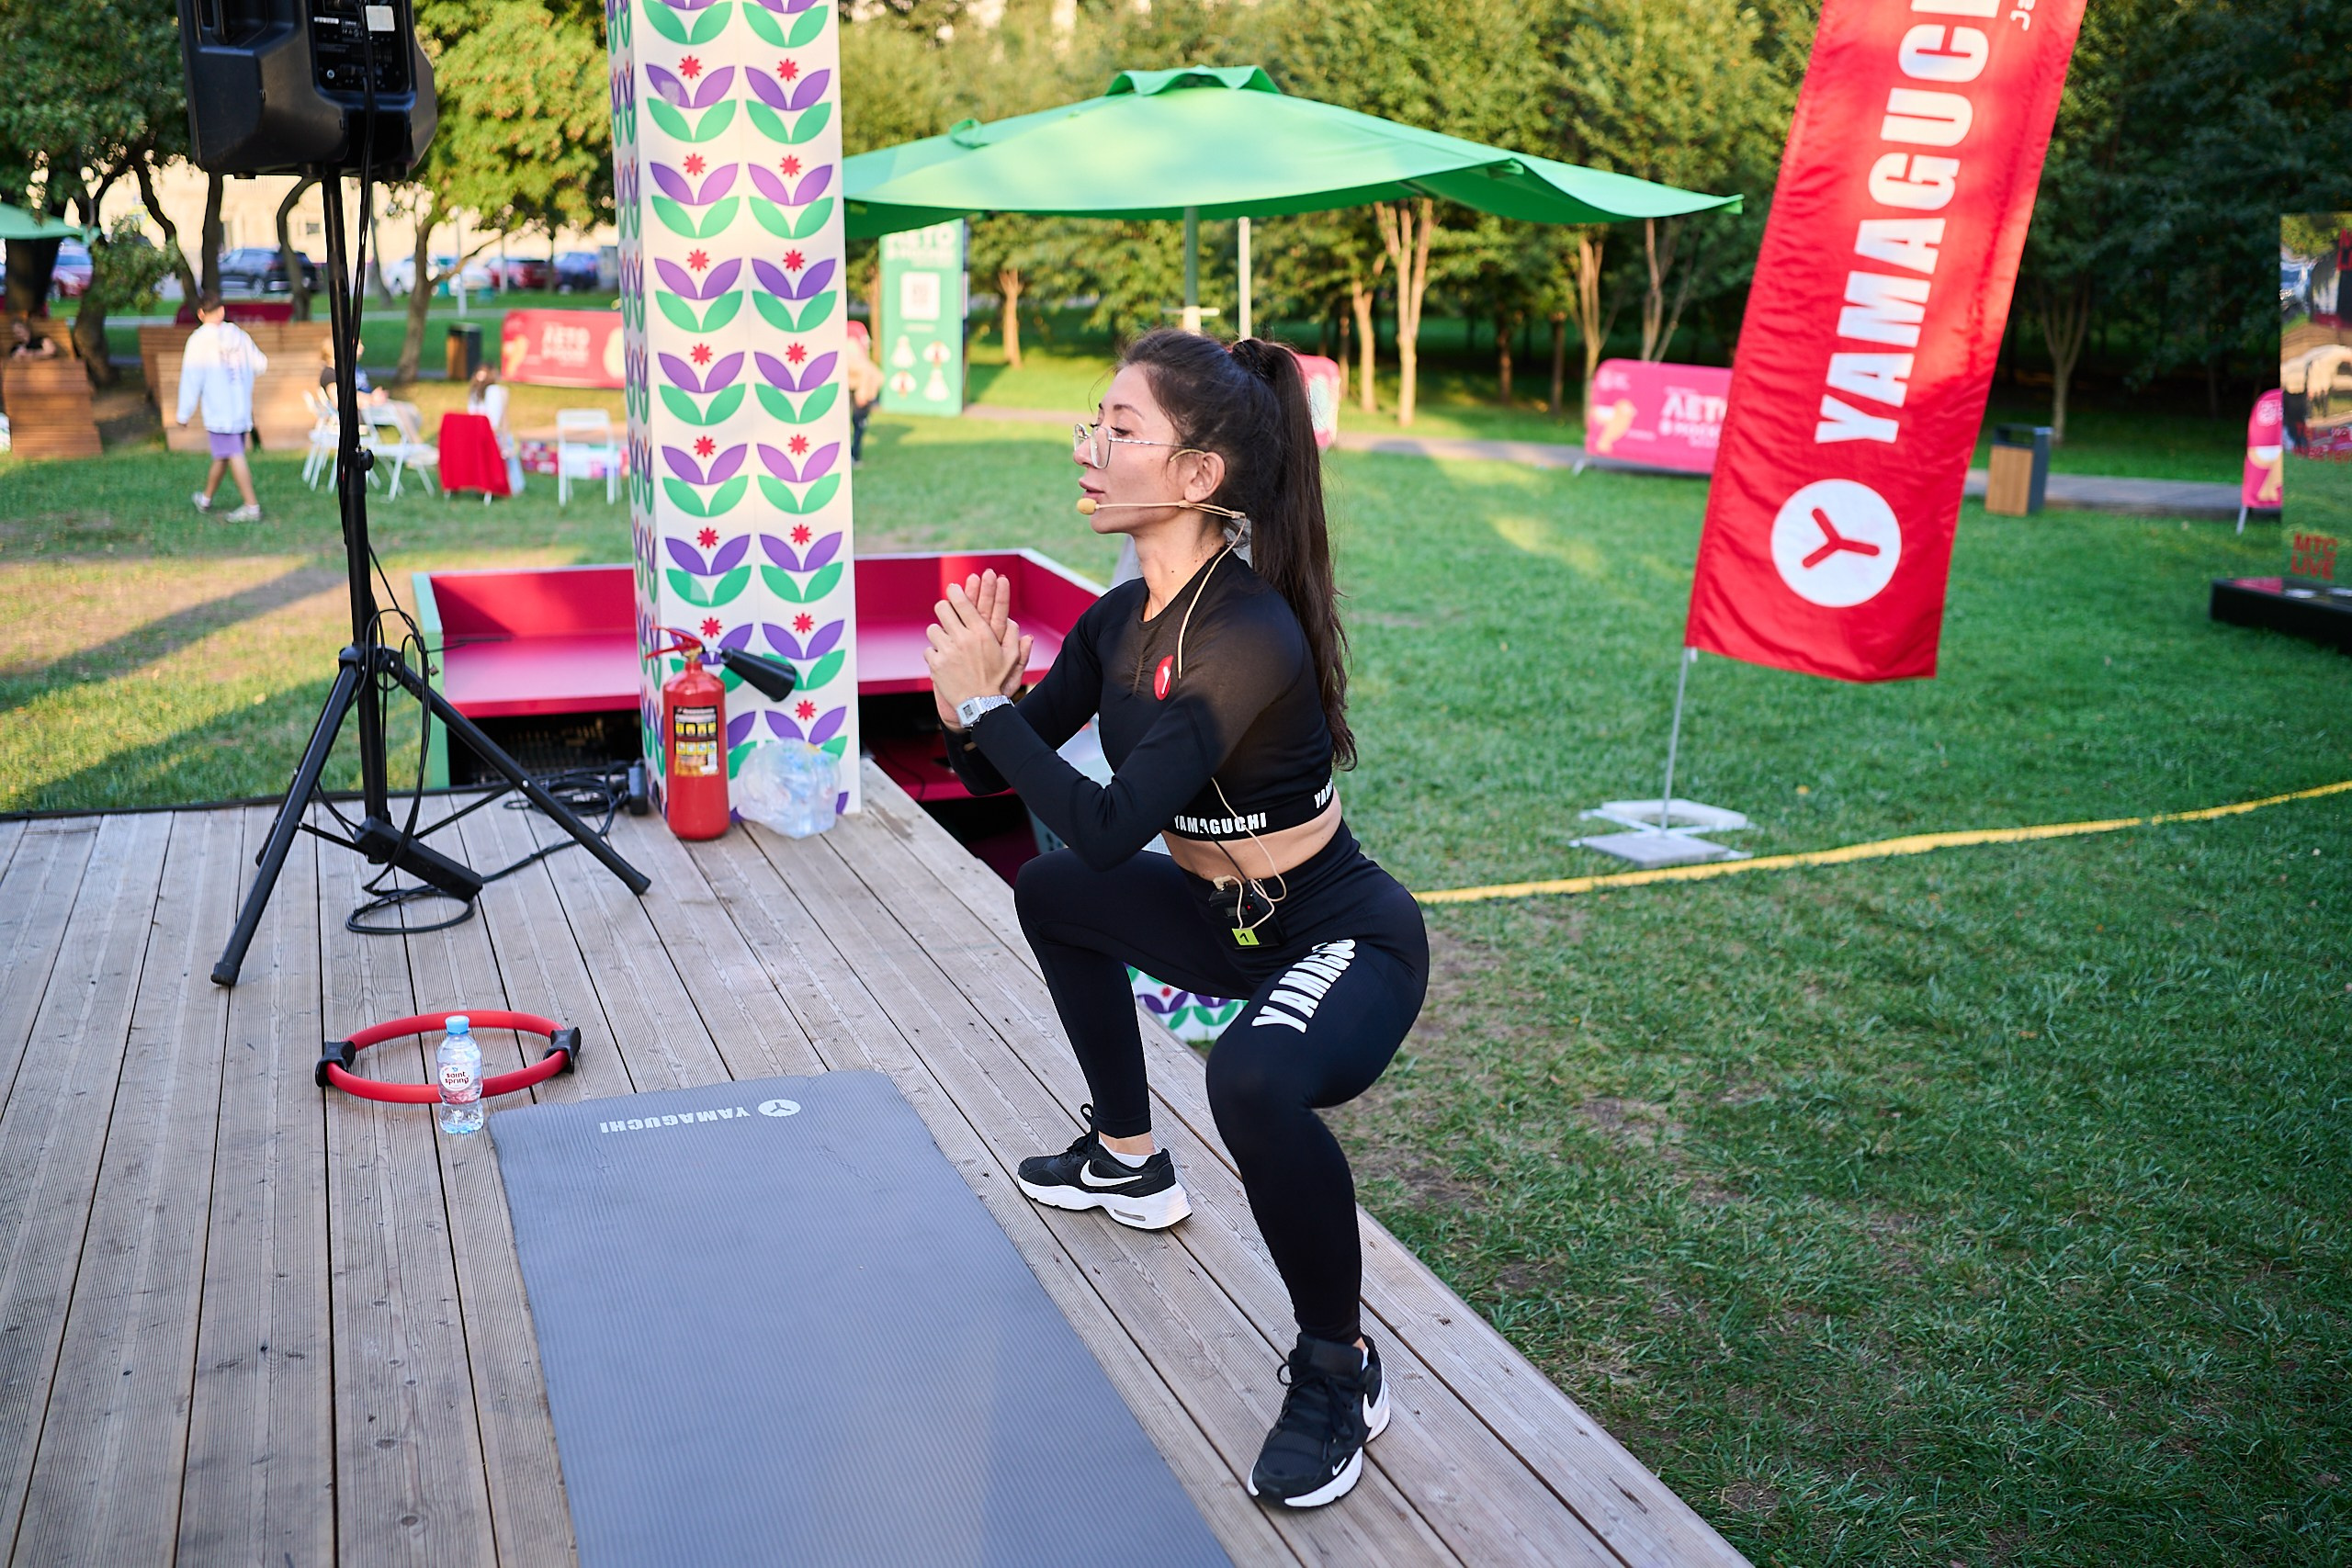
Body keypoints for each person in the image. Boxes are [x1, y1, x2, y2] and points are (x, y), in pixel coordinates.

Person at [923, 330, 1428, 1511]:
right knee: (1052, 896)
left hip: (1337, 932)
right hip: (1223, 921)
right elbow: (1008, 780)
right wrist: (971, 710)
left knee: (1252, 1080)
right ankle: (1129, 1158)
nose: (1086, 447)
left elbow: (1103, 825)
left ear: (1200, 476)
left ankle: (1337, 1369)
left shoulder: (1246, 634)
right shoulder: (1115, 625)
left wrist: (985, 710)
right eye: (1091, 422)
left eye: (1118, 427)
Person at [176, 293, 266, 522]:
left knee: (233, 453)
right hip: (240, 407)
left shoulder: (199, 340)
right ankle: (205, 499)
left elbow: (191, 377)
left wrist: (183, 413)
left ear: (200, 314)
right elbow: (260, 364)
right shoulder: (239, 336)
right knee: (223, 454)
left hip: (219, 409)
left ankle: (251, 505)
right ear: (222, 310)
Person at [846, 325, 883, 466]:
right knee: (858, 424)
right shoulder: (855, 351)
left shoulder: (849, 354)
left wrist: (862, 394)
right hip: (860, 389)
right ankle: (854, 455)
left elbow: (868, 373)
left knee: (857, 423)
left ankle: (854, 455)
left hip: (859, 391)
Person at [318, 337, 388, 406]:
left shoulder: (351, 369)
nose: (362, 348)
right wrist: (371, 400)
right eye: (357, 344)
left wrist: (371, 397)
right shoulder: (330, 375)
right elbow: (339, 401)